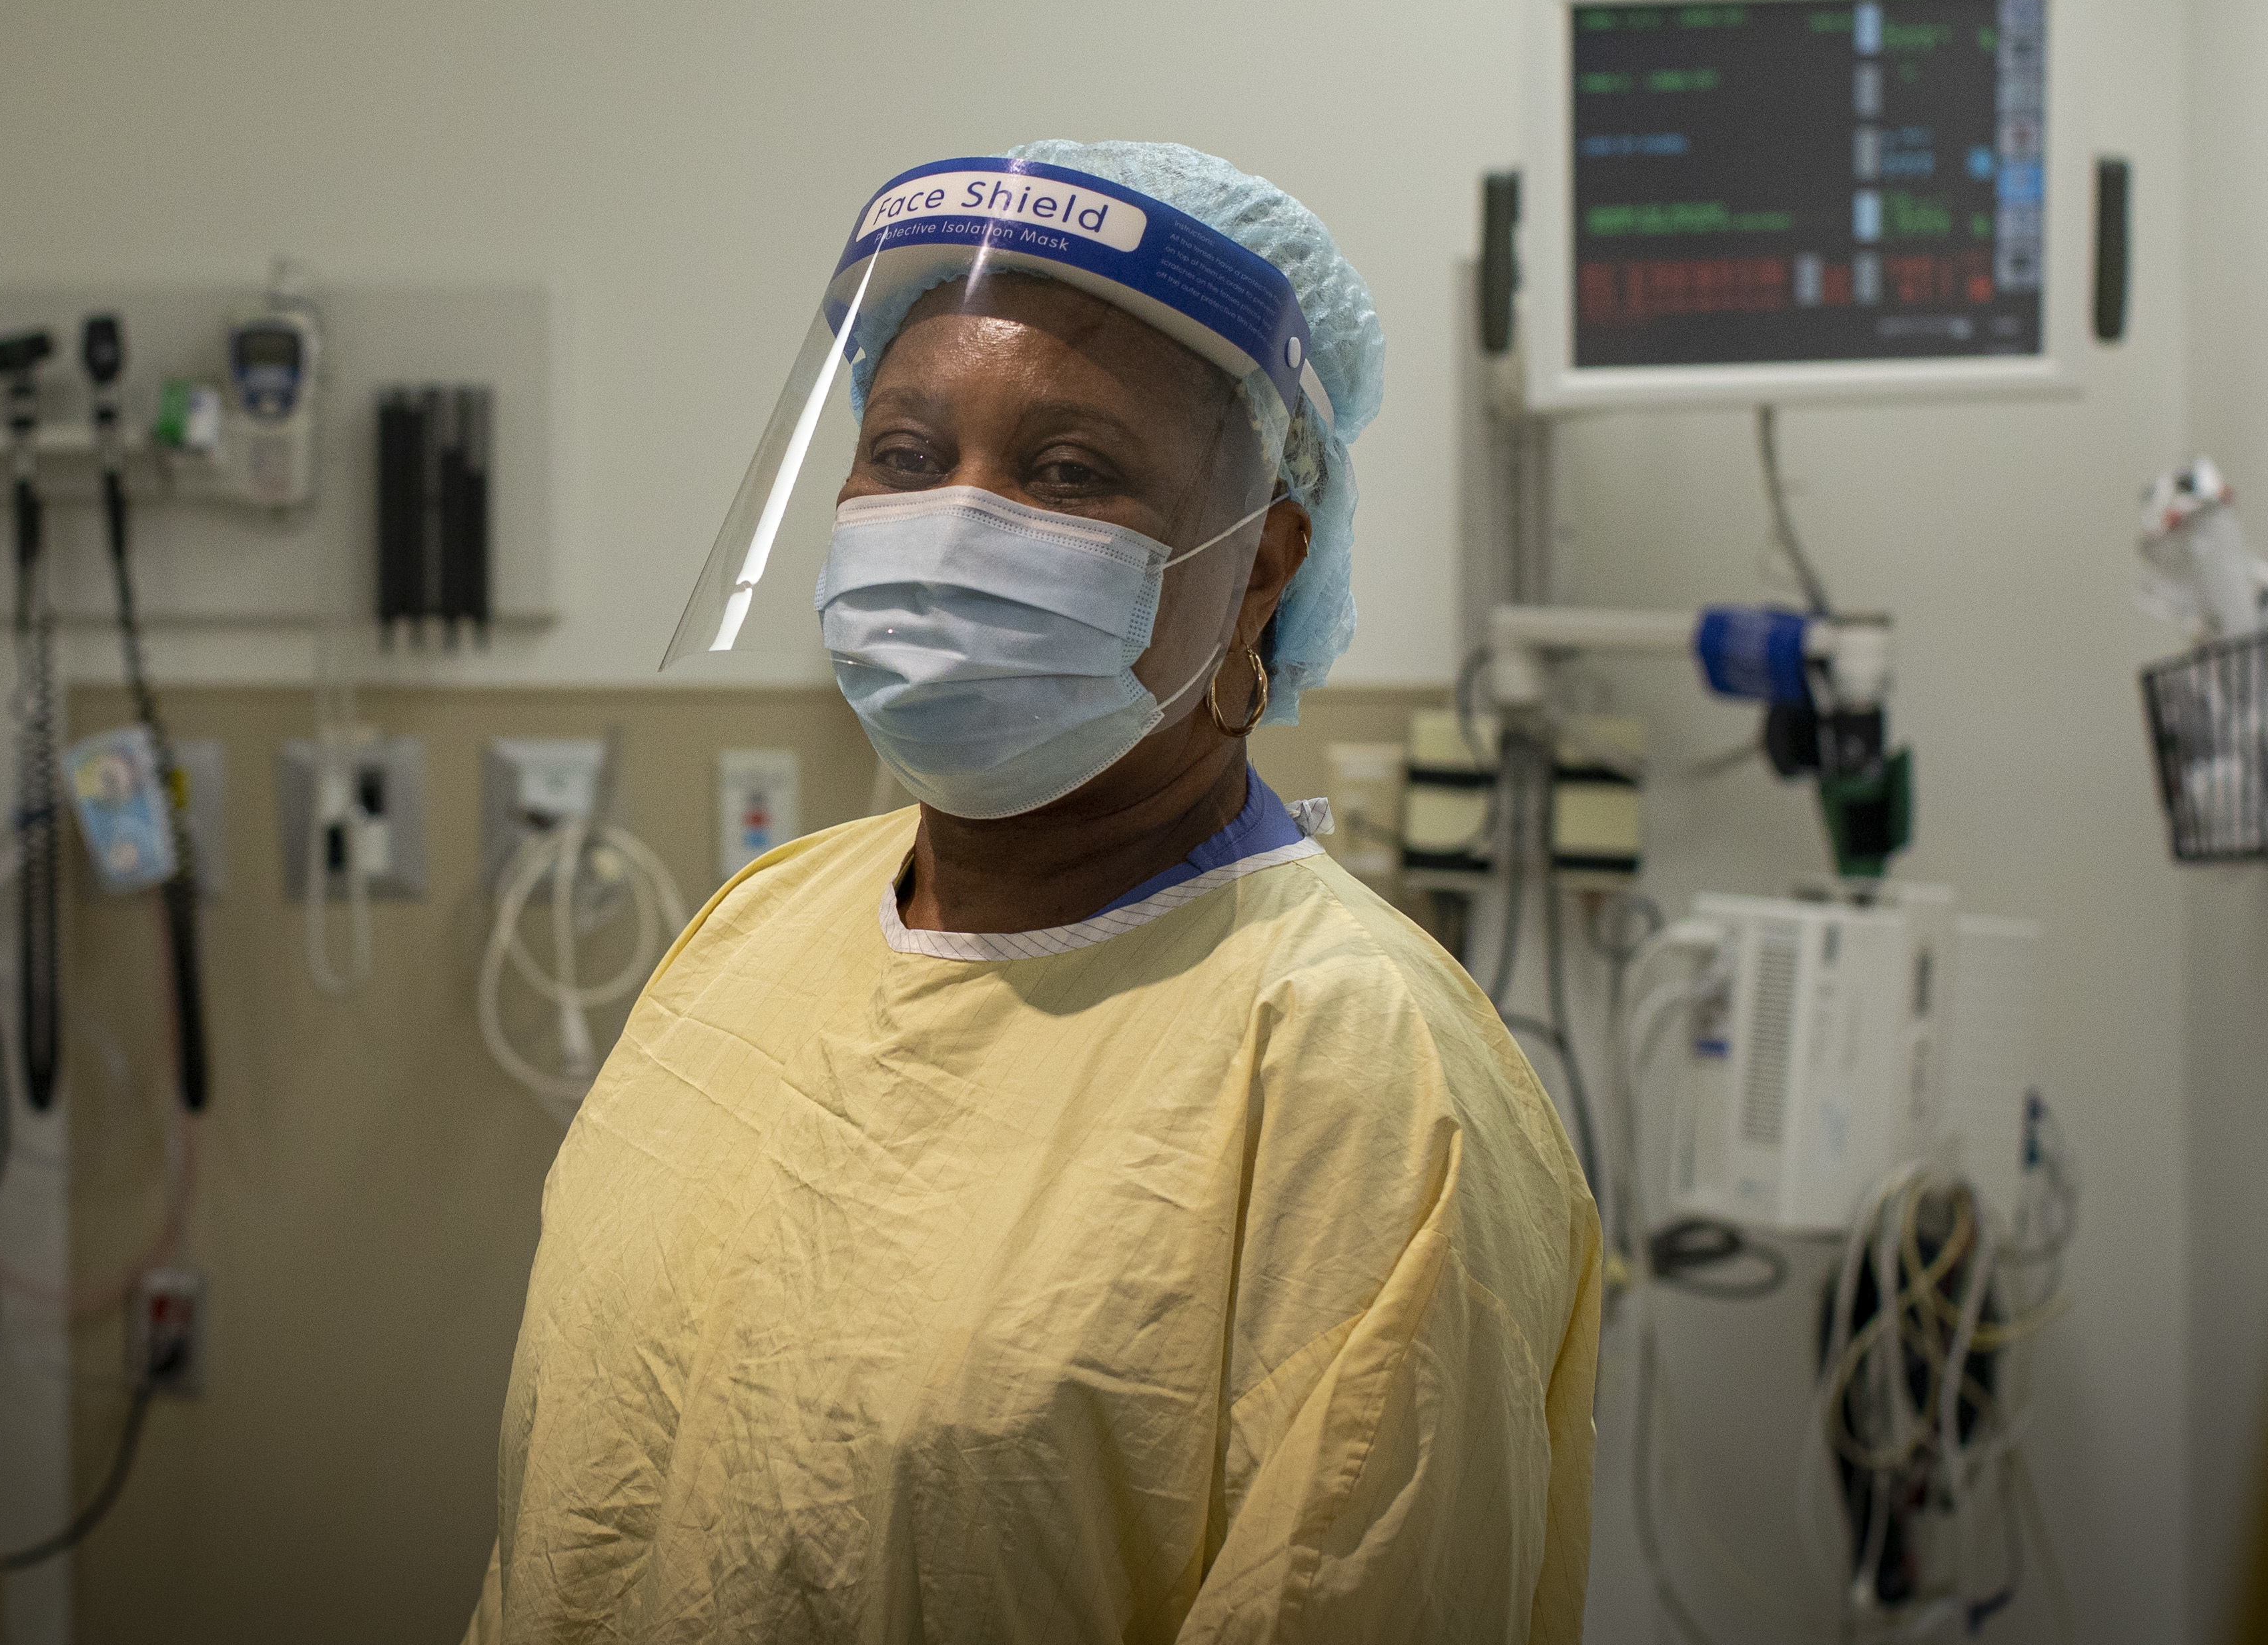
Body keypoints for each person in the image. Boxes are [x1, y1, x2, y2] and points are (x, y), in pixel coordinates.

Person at [463, 141, 1601, 1644]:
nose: (951, 524)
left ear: (1260, 568)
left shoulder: (1354, 1072)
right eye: (905, 455)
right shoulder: (755, 929)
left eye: (1069, 471)